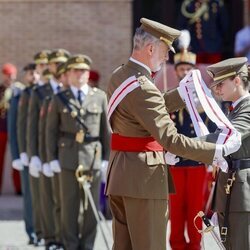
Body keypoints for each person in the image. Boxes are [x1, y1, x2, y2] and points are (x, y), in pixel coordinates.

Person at [105, 17, 241, 250]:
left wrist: (181, 93)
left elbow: (145, 110)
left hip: (121, 173)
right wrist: (216, 151)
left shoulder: (120, 75)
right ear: (150, 49)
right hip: (144, 180)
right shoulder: (143, 87)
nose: (167, 57)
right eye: (165, 50)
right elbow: (171, 138)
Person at [46, 54, 110, 250]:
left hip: (93, 158)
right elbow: (51, 131)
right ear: (68, 74)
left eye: (83, 70)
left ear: (88, 73)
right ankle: (70, 245)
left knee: (91, 208)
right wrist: (52, 159)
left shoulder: (99, 97)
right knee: (69, 207)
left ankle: (87, 245)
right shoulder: (59, 99)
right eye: (76, 70)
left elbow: (105, 132)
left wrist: (106, 159)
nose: (80, 74)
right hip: (68, 159)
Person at [169, 30, 216, 250]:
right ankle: (177, 246)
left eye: (189, 69)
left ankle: (195, 247)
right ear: (176, 72)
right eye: (181, 69)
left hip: (197, 164)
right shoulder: (170, 96)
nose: (185, 72)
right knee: (176, 212)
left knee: (196, 212)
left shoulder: (204, 99)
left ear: (194, 71)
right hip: (176, 164)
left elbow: (213, 130)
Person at [205, 57, 250, 250]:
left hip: (242, 194)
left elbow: (223, 140)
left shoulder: (247, 108)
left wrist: (179, 147)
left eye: (221, 83)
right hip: (231, 191)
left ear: (237, 80)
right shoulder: (234, 109)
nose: (217, 89)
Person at [16, 63, 39, 244]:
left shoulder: (46, 94)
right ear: (25, 76)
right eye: (31, 73)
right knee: (30, 196)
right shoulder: (20, 95)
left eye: (37, 73)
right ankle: (31, 231)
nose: (34, 76)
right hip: (27, 154)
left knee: (44, 196)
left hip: (43, 152)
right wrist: (18, 154)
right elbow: (16, 126)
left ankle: (42, 231)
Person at [0, 63, 21, 195]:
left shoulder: (19, 90)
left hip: (15, 129)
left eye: (12, 75)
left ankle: (19, 188)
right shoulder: (0, 90)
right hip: (1, 128)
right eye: (8, 75)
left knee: (17, 159)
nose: (10, 78)